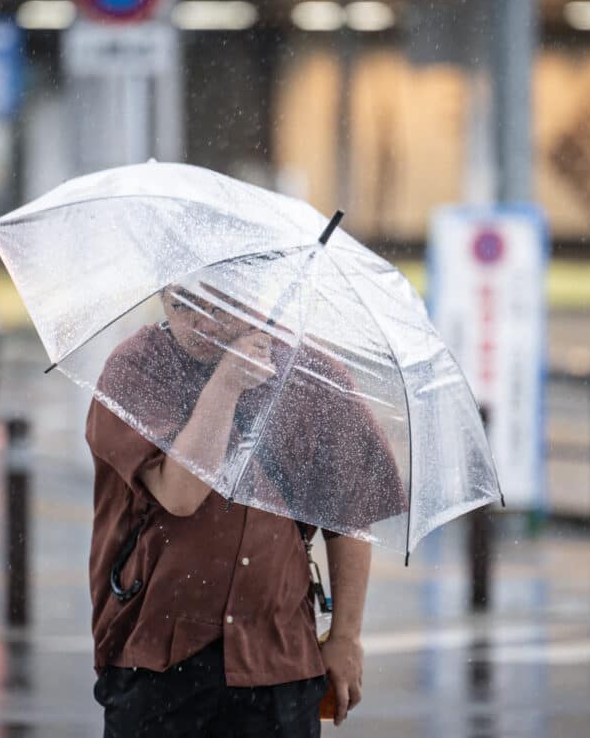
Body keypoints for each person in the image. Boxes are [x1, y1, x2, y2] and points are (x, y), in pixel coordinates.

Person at [86, 283, 403, 736]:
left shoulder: (310, 374)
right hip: (158, 652)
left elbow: (348, 513)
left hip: (277, 655)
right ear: (163, 296)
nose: (201, 324)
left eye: (218, 305)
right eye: (183, 305)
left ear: (251, 294)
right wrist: (227, 382)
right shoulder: (136, 368)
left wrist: (347, 637)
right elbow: (181, 493)